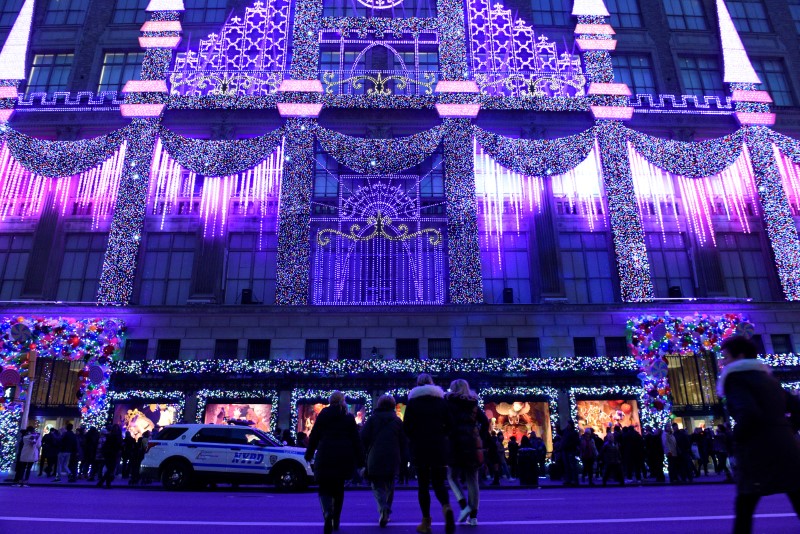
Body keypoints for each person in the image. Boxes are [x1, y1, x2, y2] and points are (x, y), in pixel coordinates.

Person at [717, 336, 800, 534]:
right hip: (787, 448)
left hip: (757, 451)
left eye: (726, 357)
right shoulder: (768, 378)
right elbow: (796, 406)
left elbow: (748, 413)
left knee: (745, 505)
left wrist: (736, 436)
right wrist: (786, 430)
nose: (723, 362)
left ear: (740, 356)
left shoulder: (735, 379)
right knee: (796, 495)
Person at [304, 391, 363, 534]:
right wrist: (361, 460)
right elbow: (356, 440)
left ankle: (327, 513)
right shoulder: (348, 417)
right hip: (343, 456)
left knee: (324, 487)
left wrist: (309, 453)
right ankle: (336, 519)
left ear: (330, 401)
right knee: (338, 489)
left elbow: (315, 435)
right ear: (343, 401)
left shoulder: (324, 414)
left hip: (325, 454)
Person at [403, 374, 455, 534]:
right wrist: (441, 435)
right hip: (438, 446)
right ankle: (446, 508)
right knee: (439, 482)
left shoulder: (413, 403)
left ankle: (426, 522)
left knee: (423, 485)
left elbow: (407, 427)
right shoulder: (442, 402)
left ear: (417, 385)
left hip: (420, 447)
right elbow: (451, 425)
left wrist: (414, 438)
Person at [445, 379, 489, 526]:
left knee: (452, 476)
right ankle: (474, 517)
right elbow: (485, 422)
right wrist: (479, 436)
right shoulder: (473, 404)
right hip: (471, 443)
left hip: (454, 442)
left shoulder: (448, 403)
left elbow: (444, 423)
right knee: (472, 479)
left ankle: (464, 505)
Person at [361, 394, 406, 528]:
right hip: (393, 456)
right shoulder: (397, 421)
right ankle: (386, 511)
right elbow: (404, 441)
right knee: (390, 483)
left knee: (376, 484)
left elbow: (363, 438)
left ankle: (383, 508)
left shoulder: (373, 419)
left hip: (375, 455)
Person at [561, 420, 580, 486]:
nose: (567, 425)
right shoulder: (565, 432)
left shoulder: (573, 433)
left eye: (568, 424)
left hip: (570, 450)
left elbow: (576, 441)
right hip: (565, 450)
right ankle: (568, 479)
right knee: (567, 466)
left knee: (572, 465)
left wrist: (571, 446)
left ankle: (574, 480)